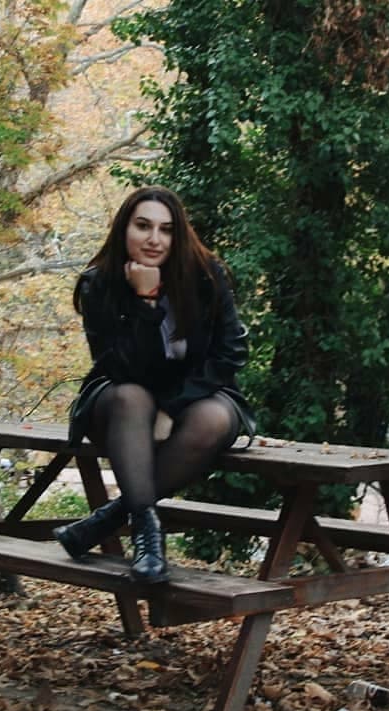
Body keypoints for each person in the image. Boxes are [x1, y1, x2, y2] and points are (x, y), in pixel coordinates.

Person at [54, 186, 256, 583]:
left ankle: (108, 519)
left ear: (177, 235)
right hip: (119, 403)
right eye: (143, 226)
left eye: (165, 230)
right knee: (132, 397)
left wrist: (172, 408)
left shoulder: (206, 275)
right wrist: (145, 301)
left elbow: (230, 354)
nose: (154, 239)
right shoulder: (100, 284)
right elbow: (120, 368)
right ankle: (148, 538)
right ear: (123, 229)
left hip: (198, 394)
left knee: (214, 419)